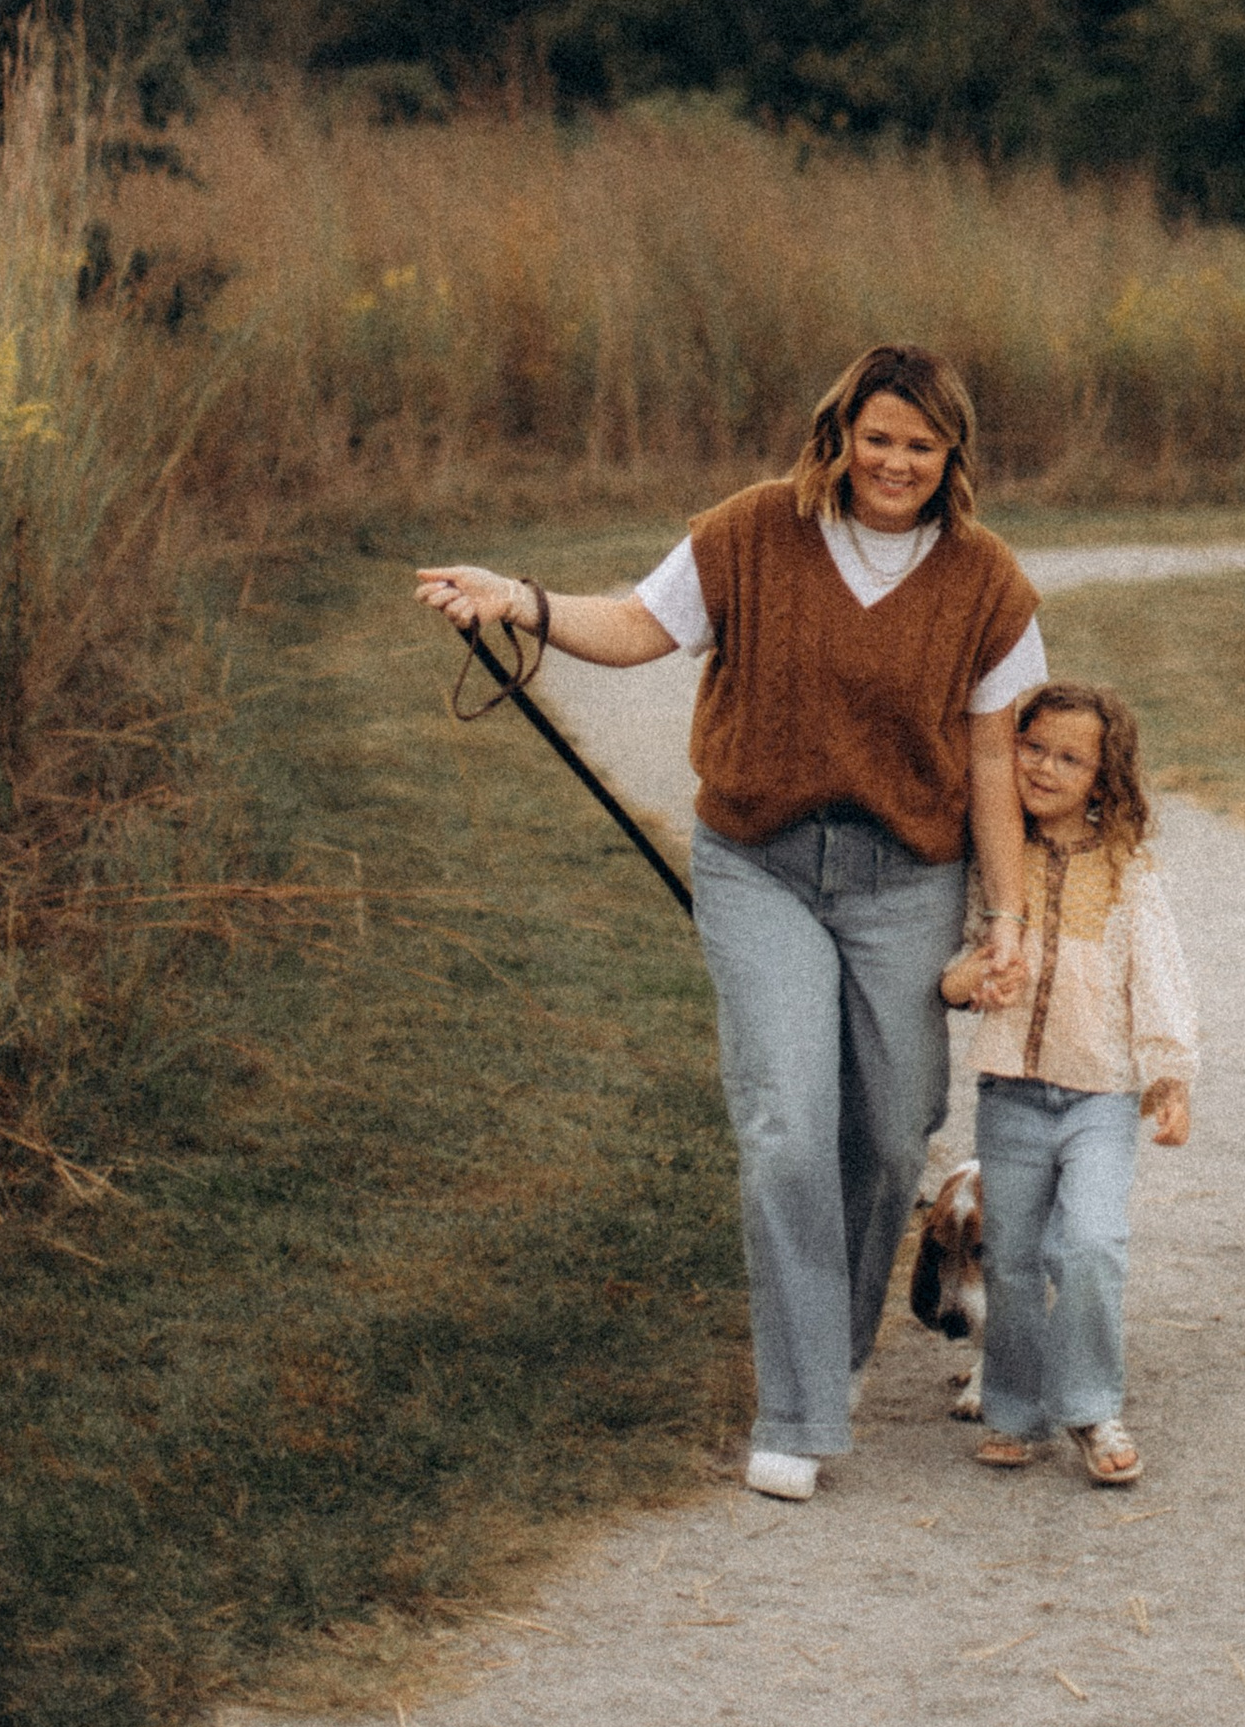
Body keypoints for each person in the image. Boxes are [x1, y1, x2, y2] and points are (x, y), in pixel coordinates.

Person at [416, 341, 1045, 1504]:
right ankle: (800, 1408)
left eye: (920, 443)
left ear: (950, 452)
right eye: (877, 436)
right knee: (787, 1126)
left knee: (894, 1131)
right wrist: (523, 603)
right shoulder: (753, 531)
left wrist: (1004, 912)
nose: (894, 461)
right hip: (758, 864)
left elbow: (993, 752)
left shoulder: (987, 581)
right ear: (841, 431)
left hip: (904, 876)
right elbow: (636, 627)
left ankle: (842, 1344)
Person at [939, 680, 1197, 1487]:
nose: (1046, 768)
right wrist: (974, 977)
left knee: (1090, 1244)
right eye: (1034, 747)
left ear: (1103, 776)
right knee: (1012, 1257)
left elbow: (1157, 975)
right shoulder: (990, 854)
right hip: (1011, 1090)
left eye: (1070, 758)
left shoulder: (1126, 867)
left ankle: (1090, 1406)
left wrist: (1169, 1076)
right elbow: (950, 971)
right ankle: (1013, 1410)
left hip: (1101, 1095)